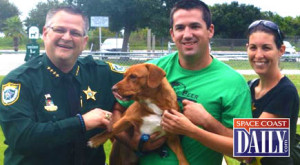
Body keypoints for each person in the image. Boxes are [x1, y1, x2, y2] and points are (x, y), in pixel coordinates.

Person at [113, 0, 252, 165]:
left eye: (195, 26)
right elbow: (117, 109)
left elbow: (247, 152)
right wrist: (133, 143)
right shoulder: (152, 70)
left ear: (210, 30)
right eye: (180, 28)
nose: (187, 34)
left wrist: (204, 123)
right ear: (172, 34)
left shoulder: (232, 83)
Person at [0, 6, 124, 165]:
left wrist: (138, 136)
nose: (67, 37)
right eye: (59, 29)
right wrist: (81, 123)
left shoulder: (102, 73)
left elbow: (150, 77)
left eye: (75, 33)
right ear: (45, 33)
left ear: (84, 41)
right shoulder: (20, 81)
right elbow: (21, 138)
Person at [245, 20, 299, 165]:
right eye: (253, 47)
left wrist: (200, 124)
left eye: (266, 48)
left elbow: (249, 146)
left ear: (281, 50)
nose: (258, 55)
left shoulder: (285, 91)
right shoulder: (249, 87)